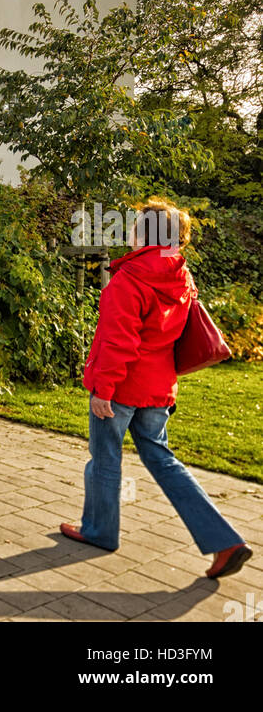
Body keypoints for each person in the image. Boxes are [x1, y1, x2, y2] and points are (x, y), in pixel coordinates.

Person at [61, 198, 253, 579]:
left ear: (145, 234)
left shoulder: (129, 278)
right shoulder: (181, 276)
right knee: (163, 460)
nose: (129, 230)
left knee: (105, 459)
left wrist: (103, 389)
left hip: (122, 387)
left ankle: (100, 532)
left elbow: (119, 340)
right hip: (159, 386)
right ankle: (224, 540)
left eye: (134, 225)